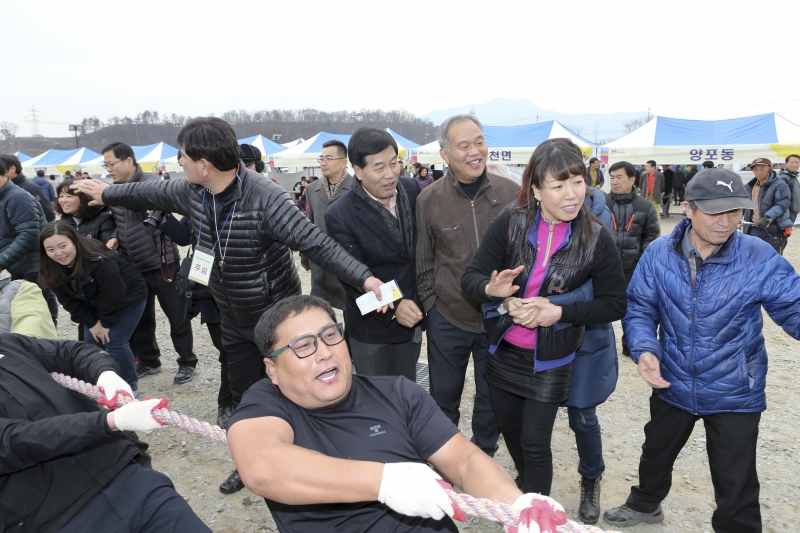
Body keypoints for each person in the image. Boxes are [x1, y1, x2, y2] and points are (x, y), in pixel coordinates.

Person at [74, 116, 386, 495]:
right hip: (233, 317)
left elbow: (316, 244)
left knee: (302, 390)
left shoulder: (265, 196)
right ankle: (251, 461)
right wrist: (106, 193)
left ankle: (318, 461)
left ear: (205, 164)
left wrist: (367, 279)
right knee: (246, 396)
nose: (180, 163)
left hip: (278, 319)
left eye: (184, 156)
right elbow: (145, 194)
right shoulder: (192, 190)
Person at [227, 294, 568, 533]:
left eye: (331, 335)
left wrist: (516, 504)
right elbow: (261, 467)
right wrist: (386, 482)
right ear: (272, 368)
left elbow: (464, 461)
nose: (324, 353)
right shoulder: (267, 402)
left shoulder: (397, 392)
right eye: (303, 346)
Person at [603, 168, 800, 532]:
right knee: (656, 454)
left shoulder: (758, 256)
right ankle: (646, 505)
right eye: (715, 211)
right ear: (689, 209)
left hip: (735, 388)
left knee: (736, 480)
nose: (727, 222)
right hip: (673, 380)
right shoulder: (658, 254)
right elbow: (641, 308)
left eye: (735, 211)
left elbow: (794, 306)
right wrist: (645, 348)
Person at [461, 138, 627, 497]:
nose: (571, 194)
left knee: (536, 444)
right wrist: (496, 293)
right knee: (514, 436)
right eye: (558, 185)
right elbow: (471, 279)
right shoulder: (510, 222)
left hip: (552, 357)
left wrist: (560, 312)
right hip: (504, 349)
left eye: (578, 181)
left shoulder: (597, 238)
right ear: (535, 190)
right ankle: (528, 492)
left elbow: (615, 304)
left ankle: (537, 515)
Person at [0, 332, 209, 533]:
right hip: (54, 518)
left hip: (125, 476)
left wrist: (104, 373)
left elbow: (71, 351)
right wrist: (110, 422)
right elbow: (14, 440)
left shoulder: (6, 343)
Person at [415, 114, 519, 459]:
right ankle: (446, 459)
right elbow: (424, 261)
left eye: (479, 141)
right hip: (449, 316)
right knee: (444, 394)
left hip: (498, 317)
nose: (475, 151)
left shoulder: (510, 194)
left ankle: (482, 454)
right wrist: (431, 308)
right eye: (464, 145)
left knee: (492, 394)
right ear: (445, 154)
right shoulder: (428, 199)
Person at [326, 129, 423, 380]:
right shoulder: (340, 214)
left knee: (406, 393)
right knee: (375, 398)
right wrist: (395, 307)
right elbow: (352, 277)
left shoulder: (412, 190)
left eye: (394, 163)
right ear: (358, 171)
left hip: (412, 318)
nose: (390, 174)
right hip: (373, 326)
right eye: (379, 168)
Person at [99, 142, 197, 385]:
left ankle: (187, 362)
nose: (109, 169)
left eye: (111, 164)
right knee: (140, 318)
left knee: (177, 315)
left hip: (161, 263)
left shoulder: (152, 185)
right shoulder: (113, 191)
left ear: (129, 161)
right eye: (106, 165)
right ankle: (149, 360)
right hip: (131, 265)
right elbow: (111, 222)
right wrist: (111, 237)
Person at [39, 221, 147, 393]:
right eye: (50, 249)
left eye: (63, 246)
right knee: (91, 345)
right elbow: (68, 301)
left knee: (114, 341)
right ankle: (98, 385)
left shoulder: (99, 260)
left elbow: (113, 294)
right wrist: (92, 323)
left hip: (128, 297)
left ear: (74, 240)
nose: (58, 253)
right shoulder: (50, 265)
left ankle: (128, 388)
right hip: (93, 302)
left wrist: (105, 324)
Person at [160, 213, 234, 428]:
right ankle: (226, 403)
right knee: (226, 350)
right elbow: (183, 237)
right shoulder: (198, 202)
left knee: (251, 348)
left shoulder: (247, 198)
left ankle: (254, 395)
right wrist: (165, 215)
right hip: (208, 288)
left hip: (244, 282)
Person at [606, 161, 660, 356]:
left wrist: (641, 263)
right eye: (612, 177)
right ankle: (599, 349)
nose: (614, 181)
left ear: (632, 179)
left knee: (634, 309)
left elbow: (651, 237)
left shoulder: (645, 206)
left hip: (632, 268)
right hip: (604, 269)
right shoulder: (602, 204)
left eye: (619, 177)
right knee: (600, 309)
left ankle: (631, 345)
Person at [300, 140, 352, 311]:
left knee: (350, 309)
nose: (323, 163)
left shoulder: (356, 188)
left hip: (348, 261)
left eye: (329, 158)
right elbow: (309, 223)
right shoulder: (313, 188)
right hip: (320, 261)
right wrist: (305, 256)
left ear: (344, 162)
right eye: (321, 159)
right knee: (320, 309)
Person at [0, 159, 50, 317]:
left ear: (3, 175)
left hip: (34, 267)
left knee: (32, 317)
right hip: (21, 266)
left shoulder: (17, 197)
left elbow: (29, 235)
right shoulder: (5, 197)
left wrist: (1, 263)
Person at [742, 157, 792, 254]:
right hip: (753, 228)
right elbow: (745, 205)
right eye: (756, 169)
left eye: (762, 169)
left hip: (773, 230)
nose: (759, 172)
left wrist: (767, 218)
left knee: (773, 259)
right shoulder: (750, 187)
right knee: (754, 258)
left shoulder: (780, 184)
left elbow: (782, 203)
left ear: (769, 168)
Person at [55, 178, 117, 246]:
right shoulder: (63, 222)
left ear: (83, 199)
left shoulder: (103, 218)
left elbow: (108, 249)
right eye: (61, 196)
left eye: (69, 196)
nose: (63, 200)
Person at [0, 153, 56, 222]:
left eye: (2, 170)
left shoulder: (30, 187)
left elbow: (48, 213)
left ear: (13, 168)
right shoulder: (4, 189)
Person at [778, 153, 800, 250]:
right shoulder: (784, 177)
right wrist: (785, 216)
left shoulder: (792, 176)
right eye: (792, 162)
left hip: (792, 212)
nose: (794, 164)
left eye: (797, 162)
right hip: (786, 213)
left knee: (784, 239)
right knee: (780, 239)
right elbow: (781, 199)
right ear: (786, 164)